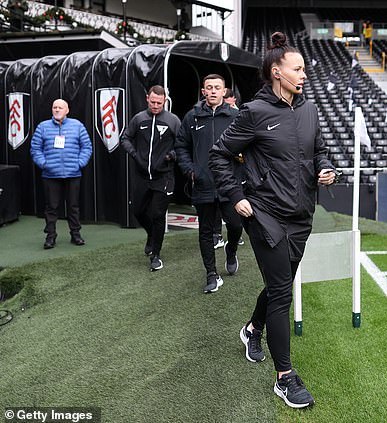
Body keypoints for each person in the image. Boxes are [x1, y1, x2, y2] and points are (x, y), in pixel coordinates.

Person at [210, 31, 336, 409]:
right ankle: (285, 378)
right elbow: (219, 156)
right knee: (282, 291)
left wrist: (326, 169)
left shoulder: (310, 110)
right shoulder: (254, 112)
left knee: (281, 283)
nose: (304, 74)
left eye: (304, 69)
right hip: (265, 215)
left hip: (301, 217)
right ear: (276, 72)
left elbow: (320, 152)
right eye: (297, 69)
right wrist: (237, 197)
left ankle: (252, 328)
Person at [175, 74, 241, 293]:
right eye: (209, 88)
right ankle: (211, 274)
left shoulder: (235, 116)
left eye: (217, 88)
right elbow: (181, 146)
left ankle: (231, 250)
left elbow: (248, 145)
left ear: (224, 92)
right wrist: (190, 170)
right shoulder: (192, 117)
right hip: (202, 184)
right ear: (203, 92)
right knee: (205, 231)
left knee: (236, 225)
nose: (212, 91)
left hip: (229, 185)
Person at [121, 85, 181, 271]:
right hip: (141, 175)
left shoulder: (172, 120)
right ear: (147, 98)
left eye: (159, 103)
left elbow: (183, 144)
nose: (155, 105)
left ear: (165, 101)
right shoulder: (139, 118)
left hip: (164, 176)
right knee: (138, 211)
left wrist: (171, 156)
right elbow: (125, 138)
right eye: (153, 102)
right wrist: (135, 155)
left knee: (157, 215)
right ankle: (151, 236)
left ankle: (156, 255)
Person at [31, 99, 93, 249]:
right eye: (54, 107)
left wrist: (79, 163)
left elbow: (87, 147)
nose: (57, 110)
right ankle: (50, 236)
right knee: (51, 207)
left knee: (73, 206)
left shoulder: (77, 126)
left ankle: (76, 234)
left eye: (60, 107)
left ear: (67, 110)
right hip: (50, 175)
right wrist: (44, 164)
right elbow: (35, 149)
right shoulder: (43, 127)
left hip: (73, 174)